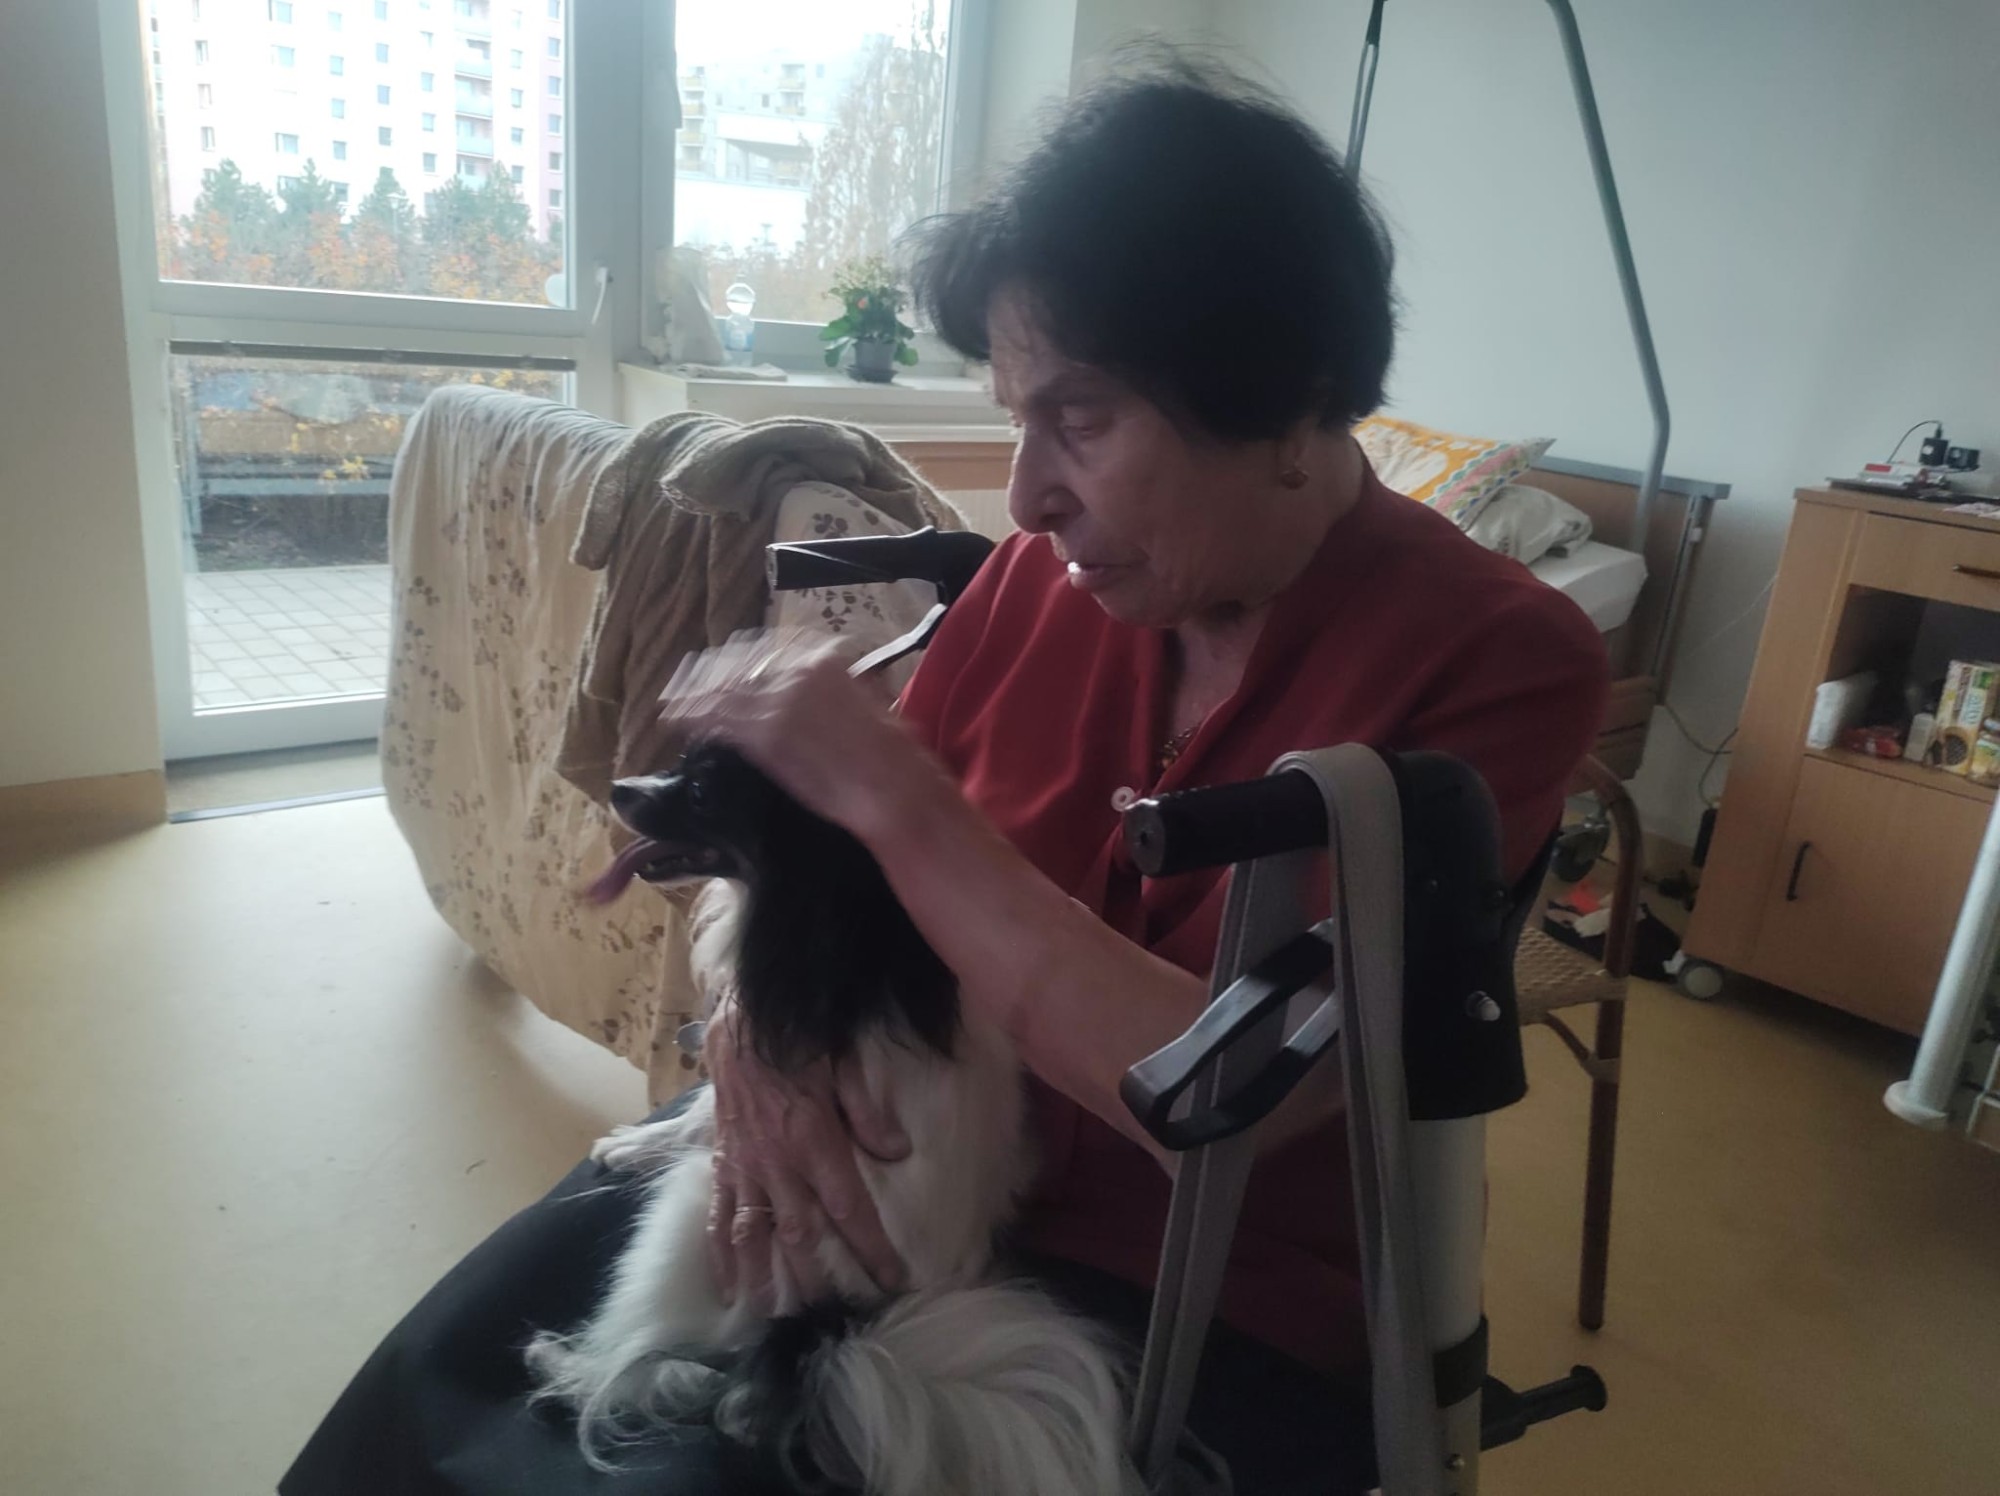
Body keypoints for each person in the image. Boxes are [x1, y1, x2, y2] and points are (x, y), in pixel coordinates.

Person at [283, 56, 1608, 1496]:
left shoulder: (1496, 660)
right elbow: (845, 898)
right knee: (439, 1378)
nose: (1028, 497)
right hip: (884, 1152)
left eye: (1081, 420)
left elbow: (1227, 1093)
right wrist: (755, 1035)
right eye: (1017, 417)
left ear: (1290, 407)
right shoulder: (1042, 589)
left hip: (1195, 1284)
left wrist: (892, 796)